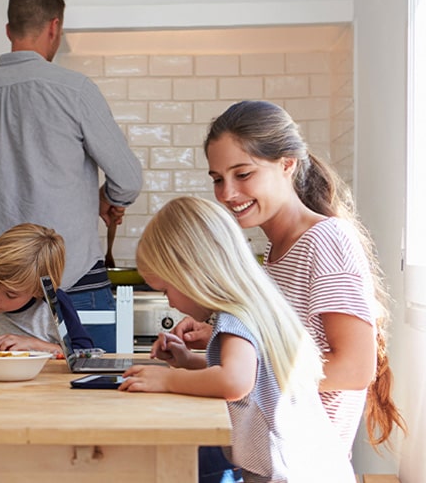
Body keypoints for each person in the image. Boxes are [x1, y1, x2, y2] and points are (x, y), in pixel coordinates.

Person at [166, 100, 405, 452]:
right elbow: (287, 360)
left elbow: (353, 368)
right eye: (218, 179)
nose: (227, 193)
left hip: (304, 465)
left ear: (287, 165)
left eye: (243, 174)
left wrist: (227, 375)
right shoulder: (276, 254)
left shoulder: (325, 241)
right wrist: (203, 359)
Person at [0, 0, 142, 350]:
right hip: (77, 285)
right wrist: (105, 198)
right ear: (55, 27)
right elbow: (128, 180)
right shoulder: (74, 90)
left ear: (8, 30)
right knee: (88, 392)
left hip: (5, 293)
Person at [122, 196, 356, 482]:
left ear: (191, 274)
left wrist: (167, 380)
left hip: (286, 473)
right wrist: (188, 362)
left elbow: (234, 382)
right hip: (306, 466)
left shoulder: (235, 316)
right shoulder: (254, 305)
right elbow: (253, 377)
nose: (169, 301)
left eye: (165, 289)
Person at [0, 223, 93, 355]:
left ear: (38, 291)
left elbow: (84, 353)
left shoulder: (54, 304)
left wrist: (35, 344)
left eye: (11, 294)